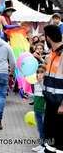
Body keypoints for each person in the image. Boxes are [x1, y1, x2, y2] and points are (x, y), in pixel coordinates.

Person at [41, 25, 63, 153]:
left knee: (59, 137)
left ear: (48, 37)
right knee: (50, 132)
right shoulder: (52, 54)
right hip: (50, 100)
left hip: (60, 103)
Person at [31, 65, 46, 153]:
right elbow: (35, 93)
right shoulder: (35, 80)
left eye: (41, 72)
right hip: (37, 104)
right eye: (38, 72)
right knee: (39, 127)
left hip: (43, 104)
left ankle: (45, 146)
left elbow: (45, 91)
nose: (39, 74)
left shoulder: (47, 81)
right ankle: (41, 144)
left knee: (44, 127)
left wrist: (40, 81)